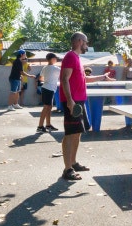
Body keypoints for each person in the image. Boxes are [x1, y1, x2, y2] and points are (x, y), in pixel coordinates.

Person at [60, 32, 103, 180]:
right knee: (70, 134)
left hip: (79, 101)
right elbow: (65, 79)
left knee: (77, 133)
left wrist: (102, 77)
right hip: (72, 102)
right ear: (79, 41)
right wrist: (70, 101)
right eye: (86, 41)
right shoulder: (70, 57)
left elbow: (84, 79)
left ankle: (73, 162)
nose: (87, 44)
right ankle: (67, 169)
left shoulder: (77, 58)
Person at [37, 53, 60, 133]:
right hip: (49, 89)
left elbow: (40, 78)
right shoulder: (56, 68)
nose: (56, 59)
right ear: (52, 59)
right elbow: (64, 74)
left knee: (49, 107)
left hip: (46, 88)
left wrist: (47, 80)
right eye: (55, 58)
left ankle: (48, 124)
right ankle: (40, 126)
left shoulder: (45, 67)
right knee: (46, 107)